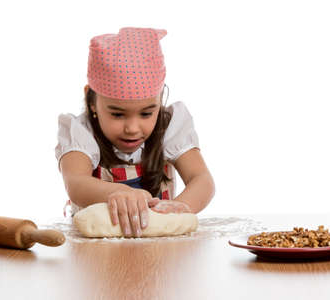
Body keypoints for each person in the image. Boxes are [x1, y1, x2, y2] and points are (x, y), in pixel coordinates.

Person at [55, 27, 214, 237]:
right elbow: (75, 182)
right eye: (117, 115)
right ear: (92, 100)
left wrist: (181, 207)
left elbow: (201, 178)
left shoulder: (170, 126)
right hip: (98, 253)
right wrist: (118, 193)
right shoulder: (80, 132)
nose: (132, 128)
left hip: (159, 250)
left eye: (147, 113)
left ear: (159, 99)